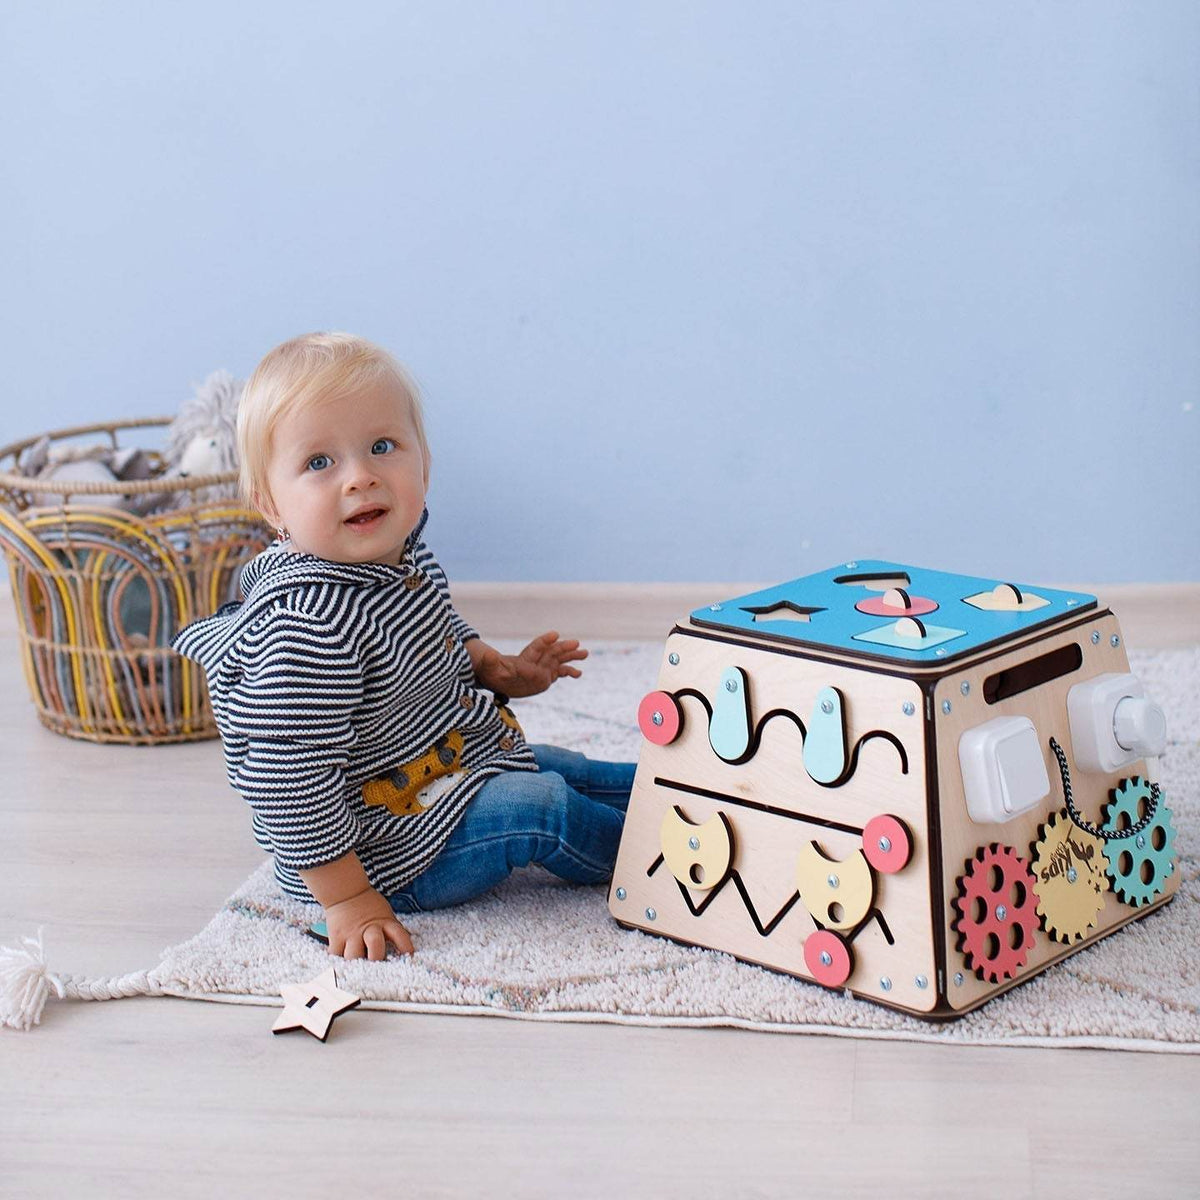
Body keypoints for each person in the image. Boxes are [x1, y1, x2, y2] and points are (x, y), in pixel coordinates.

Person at [172, 331, 635, 962]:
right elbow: (288, 783)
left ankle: (695, 794)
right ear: (269, 503)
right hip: (387, 845)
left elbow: (433, 636)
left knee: (563, 766)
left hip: (446, 761)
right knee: (543, 805)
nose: (361, 477)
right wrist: (348, 899)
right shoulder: (305, 628)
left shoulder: (403, 558)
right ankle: (659, 862)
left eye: (382, 447)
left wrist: (496, 668)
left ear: (424, 463)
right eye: (318, 463)